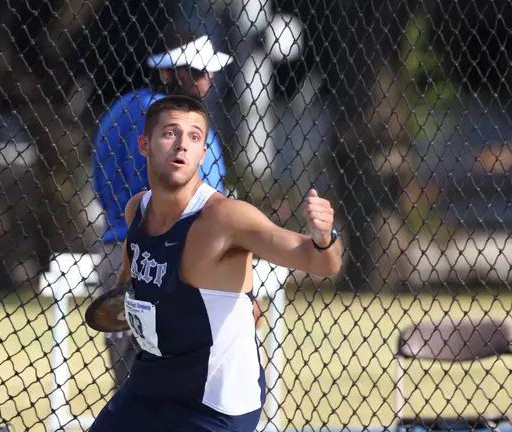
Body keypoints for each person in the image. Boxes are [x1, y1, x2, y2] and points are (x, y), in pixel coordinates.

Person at [89, 95, 342, 431]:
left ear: (203, 153)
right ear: (144, 145)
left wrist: (324, 237)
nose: (182, 144)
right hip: (151, 385)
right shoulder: (137, 210)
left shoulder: (225, 219)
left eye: (194, 137)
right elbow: (129, 279)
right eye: (170, 133)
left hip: (214, 404)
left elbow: (321, 263)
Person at [90, 27, 233, 388]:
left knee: (131, 384)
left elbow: (99, 176)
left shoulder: (118, 112)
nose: (208, 80)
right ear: (168, 73)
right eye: (197, 72)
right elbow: (207, 205)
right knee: (183, 381)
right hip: (175, 258)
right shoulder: (189, 131)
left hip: (116, 251)